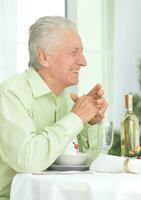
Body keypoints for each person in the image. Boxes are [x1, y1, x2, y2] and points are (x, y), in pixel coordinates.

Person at [0, 16, 108, 199]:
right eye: (74, 52)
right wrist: (75, 118)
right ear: (44, 57)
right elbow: (28, 161)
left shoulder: (66, 98)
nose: (83, 61)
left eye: (82, 52)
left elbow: (90, 163)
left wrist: (90, 122)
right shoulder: (11, 94)